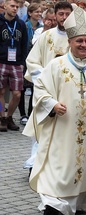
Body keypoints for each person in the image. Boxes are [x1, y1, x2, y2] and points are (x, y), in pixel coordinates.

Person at [24, 6, 86, 215]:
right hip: (61, 127)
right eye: (79, 41)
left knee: (82, 166)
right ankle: (52, 206)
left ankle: (72, 205)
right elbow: (41, 90)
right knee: (58, 166)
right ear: (70, 42)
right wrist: (52, 104)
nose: (84, 45)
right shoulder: (56, 65)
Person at [23, 1, 72, 176]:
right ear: (55, 15)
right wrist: (45, 76)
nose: (64, 18)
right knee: (41, 127)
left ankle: (55, 166)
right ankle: (34, 165)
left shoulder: (76, 38)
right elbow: (32, 61)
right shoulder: (46, 36)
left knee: (62, 129)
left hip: (67, 91)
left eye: (68, 14)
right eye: (61, 14)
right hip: (45, 89)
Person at [0, 0, 28, 132]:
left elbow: (24, 44)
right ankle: (2, 117)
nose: (15, 9)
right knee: (0, 92)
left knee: (17, 94)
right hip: (1, 61)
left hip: (16, 63)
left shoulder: (21, 24)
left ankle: (9, 116)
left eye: (17, 6)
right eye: (12, 6)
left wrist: (22, 62)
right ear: (5, 6)